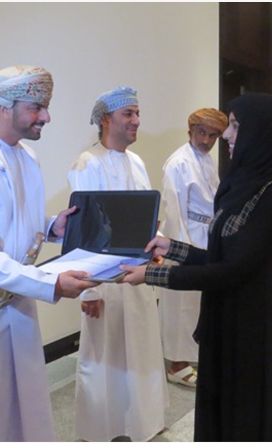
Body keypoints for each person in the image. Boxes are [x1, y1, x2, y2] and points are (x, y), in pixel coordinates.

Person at [122, 93, 272, 441]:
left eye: (235, 126)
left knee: (248, 413)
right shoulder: (244, 184)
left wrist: (152, 274)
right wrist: (172, 247)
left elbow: (231, 270)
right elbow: (224, 256)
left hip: (254, 325)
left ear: (263, 133)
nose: (226, 135)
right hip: (228, 316)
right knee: (223, 407)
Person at [0, 65, 98, 442]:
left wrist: (52, 227)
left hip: (18, 289)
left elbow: (14, 220)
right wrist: (50, 283)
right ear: (5, 107)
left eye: (46, 106)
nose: (46, 117)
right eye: (36, 107)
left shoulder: (27, 156)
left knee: (22, 395)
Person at [68, 86, 167, 442]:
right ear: (106, 119)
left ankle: (141, 424)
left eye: (137, 113)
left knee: (140, 347)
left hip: (137, 274)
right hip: (103, 281)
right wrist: (89, 291)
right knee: (104, 353)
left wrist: (155, 245)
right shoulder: (87, 163)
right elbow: (84, 233)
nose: (136, 120)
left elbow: (147, 216)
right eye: (129, 114)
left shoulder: (136, 162)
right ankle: (102, 429)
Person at [158, 108, 228, 388]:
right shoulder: (178, 163)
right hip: (186, 237)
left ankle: (197, 356)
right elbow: (174, 210)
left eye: (213, 136)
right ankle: (177, 364)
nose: (206, 140)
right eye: (202, 133)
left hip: (207, 236)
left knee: (200, 303)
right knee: (182, 305)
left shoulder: (207, 160)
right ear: (191, 130)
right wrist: (182, 252)